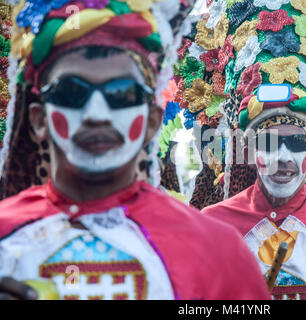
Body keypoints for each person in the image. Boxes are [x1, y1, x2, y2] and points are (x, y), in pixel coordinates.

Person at [0, 0, 270, 300]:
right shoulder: (6, 237)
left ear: (152, 120)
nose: (97, 114)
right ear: (38, 119)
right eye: (72, 92)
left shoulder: (218, 253)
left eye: (121, 94)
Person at [177, 0, 306, 300]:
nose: (283, 157)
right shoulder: (213, 223)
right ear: (251, 152)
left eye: (297, 142)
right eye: (269, 142)